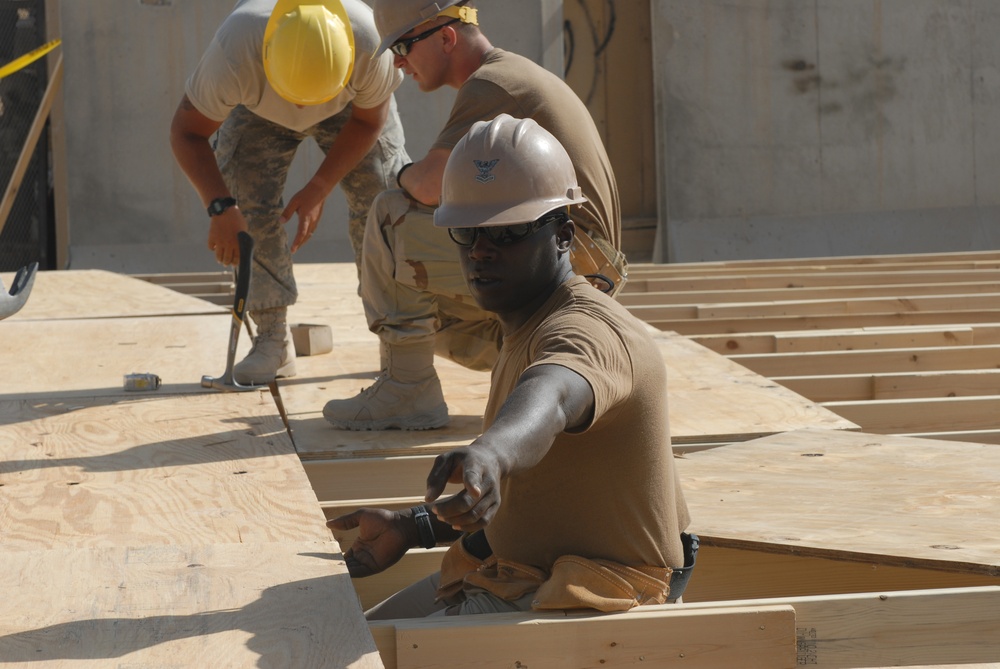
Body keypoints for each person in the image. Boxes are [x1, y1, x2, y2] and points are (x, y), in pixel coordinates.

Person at [329, 114, 694, 619]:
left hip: (599, 595)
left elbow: (553, 395)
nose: (481, 250)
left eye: (509, 232)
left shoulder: (587, 330)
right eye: (469, 232)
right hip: (526, 573)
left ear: (564, 235)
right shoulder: (526, 320)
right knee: (363, 633)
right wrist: (415, 527)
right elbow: (538, 495)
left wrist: (492, 453)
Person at [322, 0, 626, 430]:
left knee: (390, 216)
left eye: (404, 45)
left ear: (446, 37)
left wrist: (399, 173)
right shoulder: (510, 74)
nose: (399, 62)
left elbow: (428, 185)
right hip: (582, 267)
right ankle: (525, 363)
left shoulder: (492, 84)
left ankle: (407, 391)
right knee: (430, 315)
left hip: (570, 261)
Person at [170, 0, 409, 385]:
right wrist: (220, 208)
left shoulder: (369, 42)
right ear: (266, 58)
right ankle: (272, 339)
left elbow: (369, 121)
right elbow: (186, 132)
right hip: (258, 107)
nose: (303, 107)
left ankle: (398, 338)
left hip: (352, 108)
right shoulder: (236, 51)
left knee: (385, 199)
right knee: (243, 197)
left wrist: (319, 186)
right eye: (295, 96)